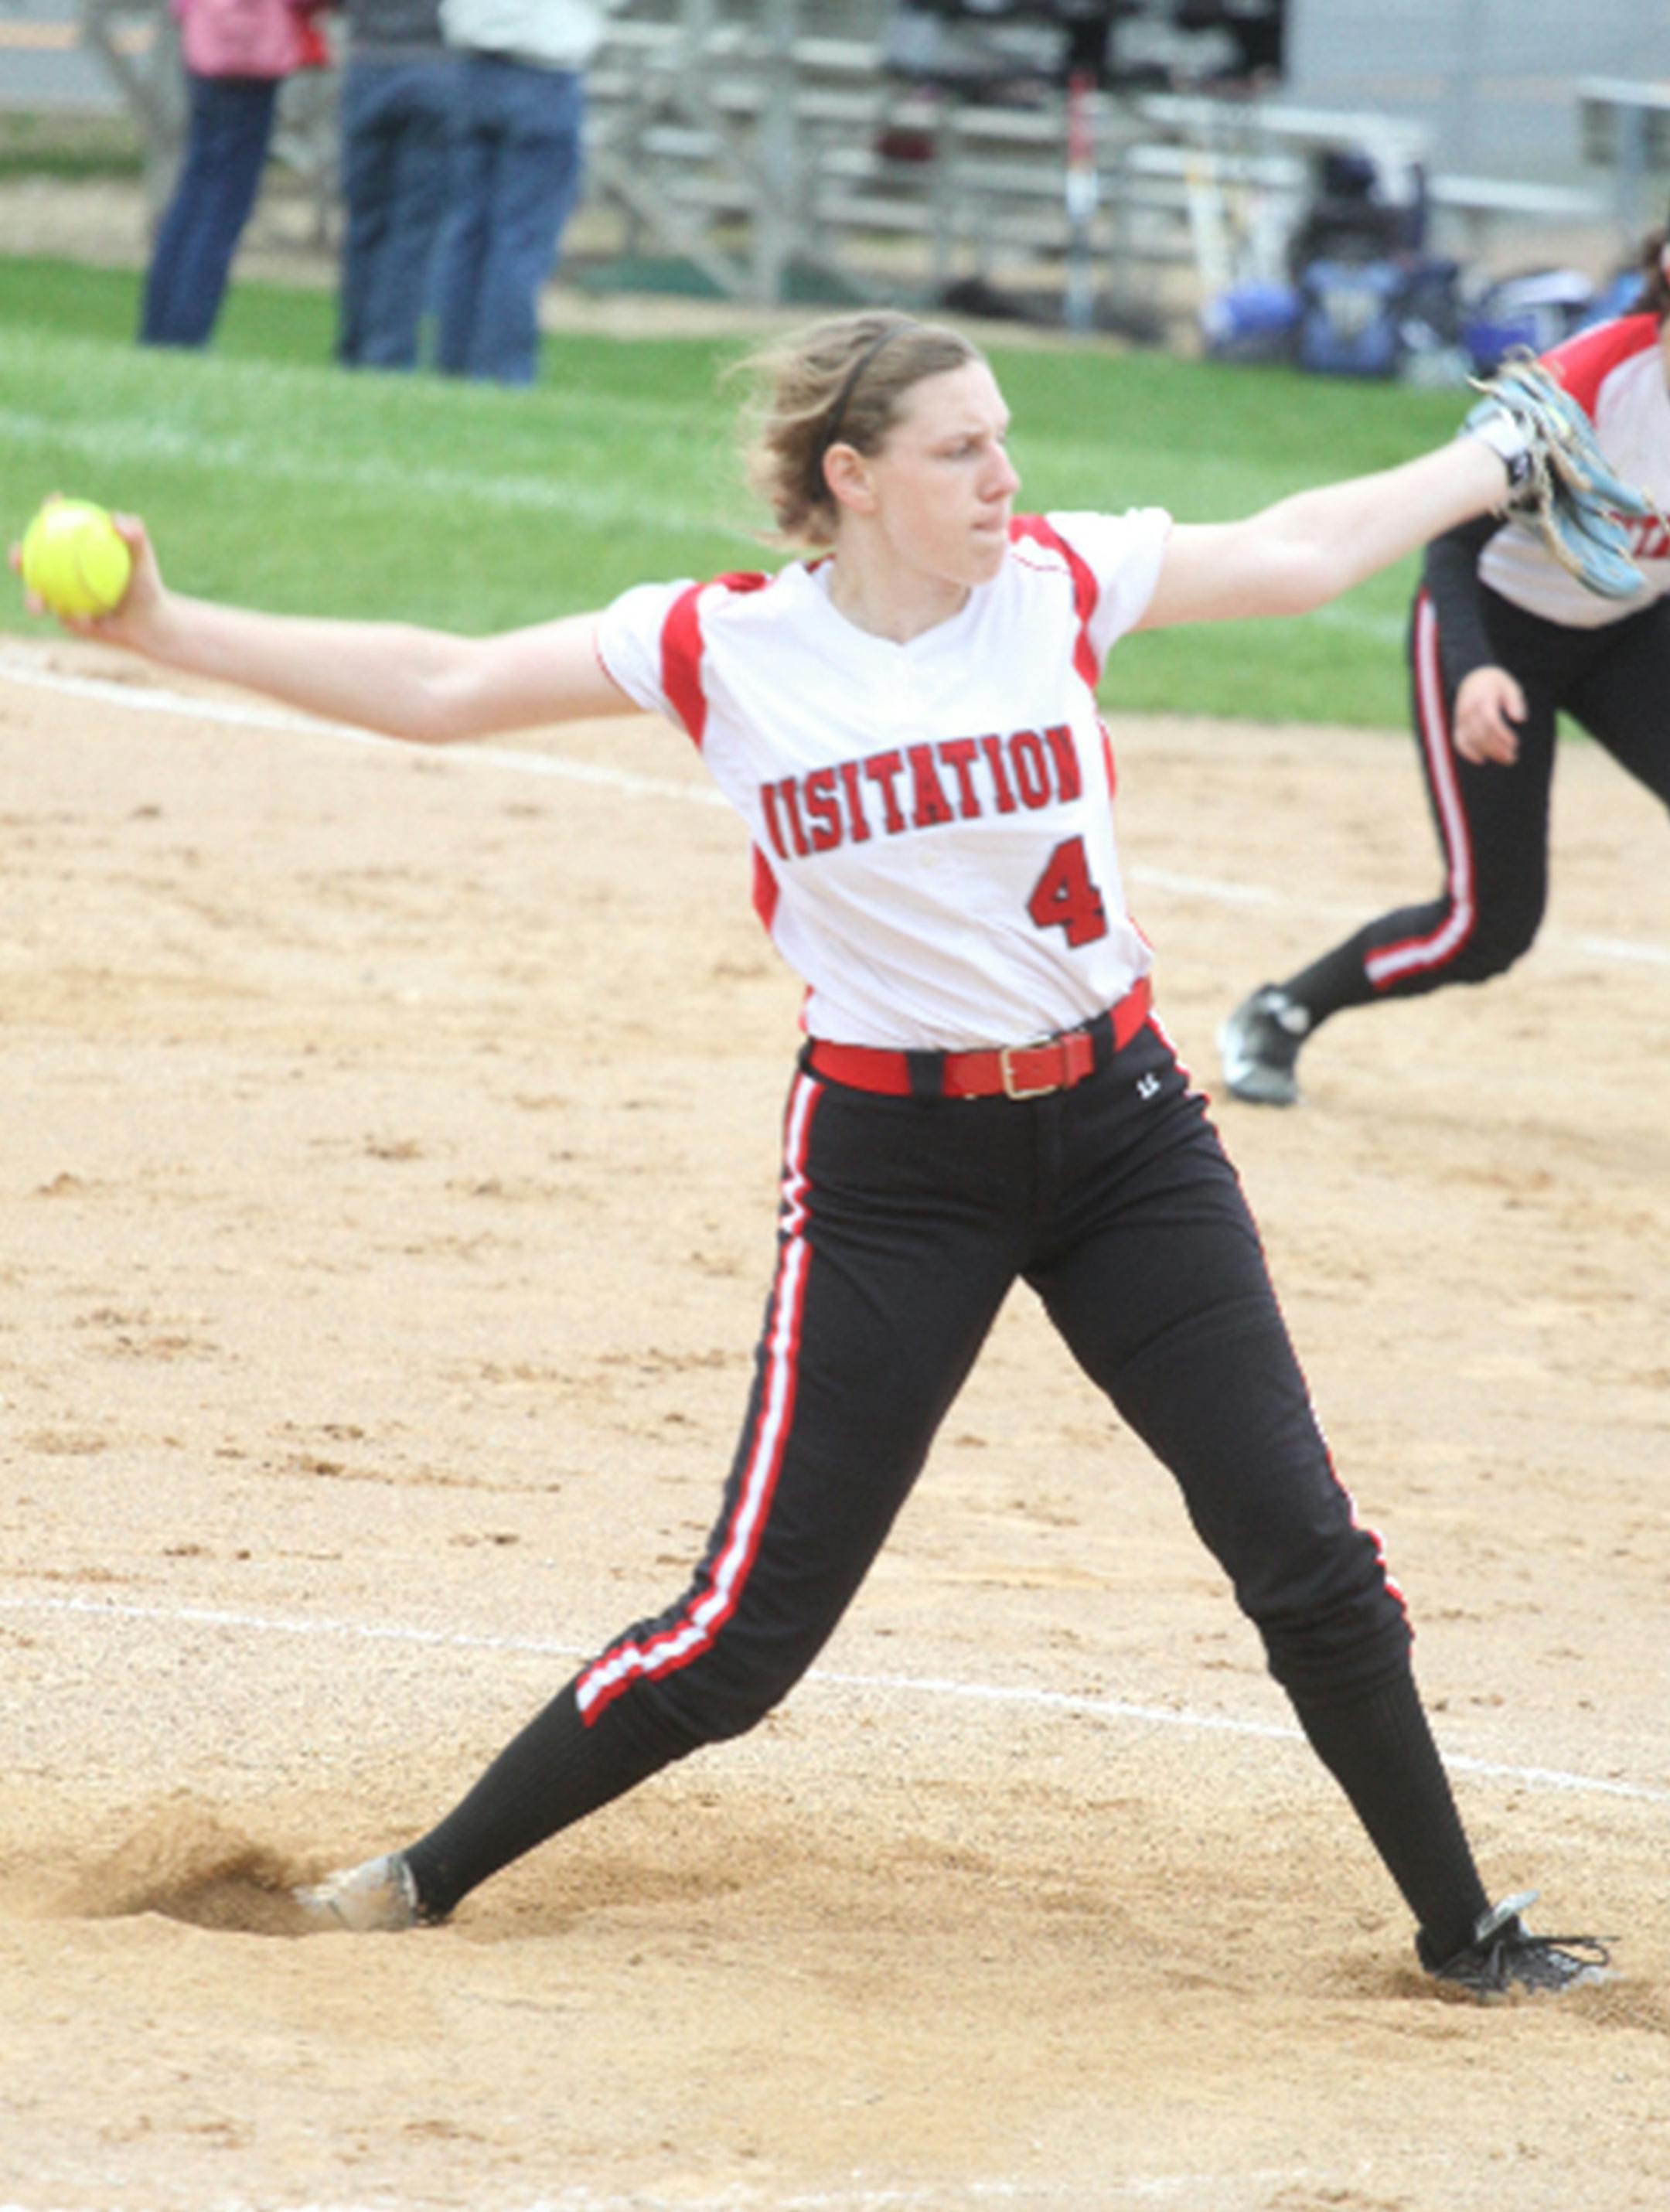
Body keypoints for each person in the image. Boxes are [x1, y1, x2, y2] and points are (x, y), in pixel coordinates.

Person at [13, 312, 1613, 1998]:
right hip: (894, 1168)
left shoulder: (1059, 583)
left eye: (1005, 438)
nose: (1006, 473)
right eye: (959, 449)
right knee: (744, 1635)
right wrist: (164, 624)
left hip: (1125, 1135)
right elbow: (442, 682)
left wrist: (1493, 457)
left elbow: (1298, 554)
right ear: (851, 478)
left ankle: (1465, 1931)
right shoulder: (728, 646)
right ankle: (417, 1877)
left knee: (1308, 1551)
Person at [1219, 220, 1670, 1107]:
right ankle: (1282, 1010)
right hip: (1497, 629)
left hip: (1631, 627)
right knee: (1488, 924)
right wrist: (1472, 668)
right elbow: (1453, 540)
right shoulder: (1586, 387)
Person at [426, 0, 605, 385]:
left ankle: (453, 363)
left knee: (466, 230)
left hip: (474, 69)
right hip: (544, 73)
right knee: (522, 236)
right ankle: (502, 371)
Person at [140, 0, 328, 349]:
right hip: (256, 57)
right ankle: (188, 332)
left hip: (205, 49)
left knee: (193, 194)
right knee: (223, 208)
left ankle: (158, 326)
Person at [336, 0, 459, 371]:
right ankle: (388, 353)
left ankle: (356, 347)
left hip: (367, 61)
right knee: (416, 229)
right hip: (435, 62)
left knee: (365, 222)